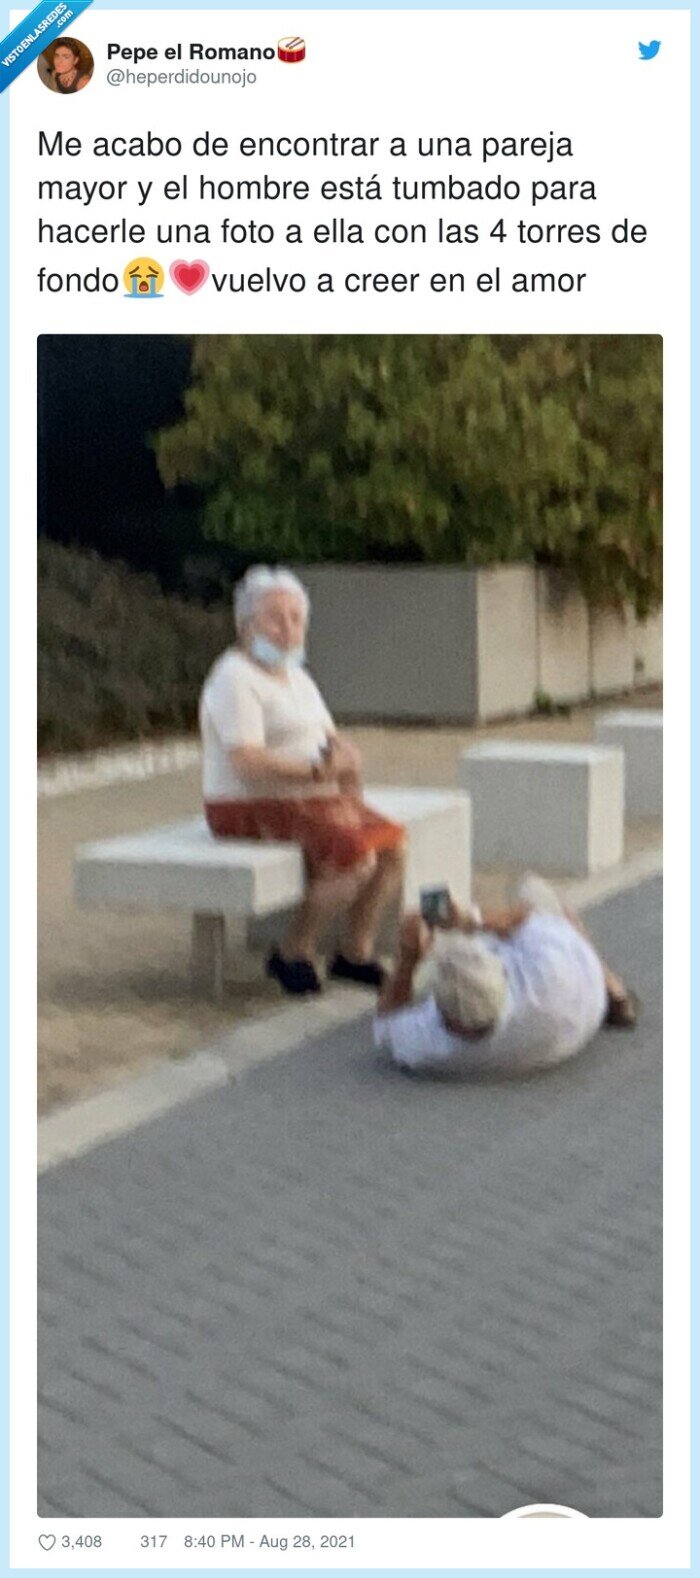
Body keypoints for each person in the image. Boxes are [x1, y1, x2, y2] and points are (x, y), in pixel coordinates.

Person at [200, 566, 406, 996]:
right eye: (274, 618)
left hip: (310, 797)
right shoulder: (234, 677)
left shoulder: (298, 678)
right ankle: (293, 950)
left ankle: (354, 952)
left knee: (392, 848)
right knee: (354, 859)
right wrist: (317, 773)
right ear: (246, 625)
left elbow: (329, 739)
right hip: (247, 804)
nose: (287, 629)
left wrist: (349, 773)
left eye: (296, 618)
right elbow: (247, 762)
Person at [374, 873, 638, 1075]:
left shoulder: (430, 1048)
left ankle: (612, 992)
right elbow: (527, 914)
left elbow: (387, 1019)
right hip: (585, 991)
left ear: (444, 1016)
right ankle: (615, 990)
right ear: (503, 975)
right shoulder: (548, 966)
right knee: (537, 894)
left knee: (535, 924)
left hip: (569, 1025)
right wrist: (472, 920)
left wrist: (407, 961)